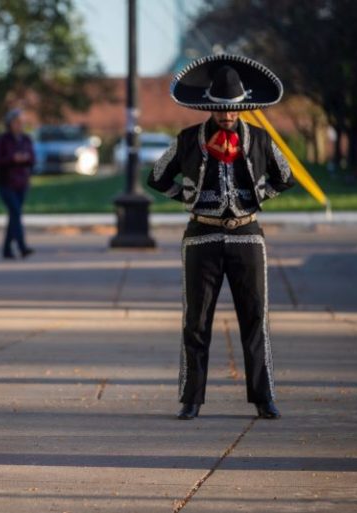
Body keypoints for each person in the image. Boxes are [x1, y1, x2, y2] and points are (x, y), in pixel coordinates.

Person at [148, 54, 295, 420]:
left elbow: (285, 175)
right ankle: (191, 398)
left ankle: (264, 398)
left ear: (242, 108)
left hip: (247, 235)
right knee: (196, 321)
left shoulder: (260, 139)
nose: (227, 117)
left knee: (255, 319)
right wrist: (185, 196)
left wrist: (260, 195)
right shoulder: (187, 140)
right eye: (221, 111)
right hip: (202, 237)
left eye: (233, 111)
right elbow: (156, 176)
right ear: (210, 107)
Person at [0, 108, 35, 259]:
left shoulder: (26, 139)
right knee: (16, 212)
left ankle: (6, 250)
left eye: (21, 122)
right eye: (16, 122)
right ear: (9, 123)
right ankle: (22, 247)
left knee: (14, 216)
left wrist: (24, 158)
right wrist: (12, 159)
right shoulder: (2, 140)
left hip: (21, 183)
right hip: (6, 183)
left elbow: (32, 159)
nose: (19, 125)